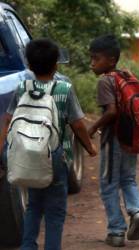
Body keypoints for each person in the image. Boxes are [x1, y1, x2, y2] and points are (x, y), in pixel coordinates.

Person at [0, 38, 97, 250]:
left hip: (27, 155)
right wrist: (90, 147)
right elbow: (77, 124)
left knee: (34, 205)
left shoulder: (22, 87)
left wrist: (3, 152)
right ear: (55, 64)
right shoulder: (64, 89)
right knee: (55, 212)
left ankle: (28, 247)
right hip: (55, 156)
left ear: (29, 65)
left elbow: (8, 121)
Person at [88, 34, 139, 247]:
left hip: (113, 139)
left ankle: (116, 231)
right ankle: (138, 211)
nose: (92, 64)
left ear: (111, 60)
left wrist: (94, 126)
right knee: (128, 178)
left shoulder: (105, 81)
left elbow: (112, 112)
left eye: (96, 59)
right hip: (132, 137)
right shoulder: (126, 76)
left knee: (108, 185)